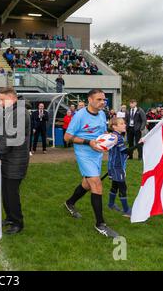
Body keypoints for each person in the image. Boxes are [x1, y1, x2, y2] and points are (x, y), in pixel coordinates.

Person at [63, 89, 119, 238]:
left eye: (104, 100)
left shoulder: (101, 114)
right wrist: (89, 142)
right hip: (84, 153)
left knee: (87, 184)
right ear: (90, 100)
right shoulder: (79, 116)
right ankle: (100, 224)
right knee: (96, 184)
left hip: (97, 153)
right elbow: (67, 137)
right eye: (99, 99)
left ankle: (69, 202)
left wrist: (109, 137)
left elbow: (101, 133)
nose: (102, 102)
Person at [0, 87, 30, 235]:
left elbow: (10, 140)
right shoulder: (11, 111)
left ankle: (18, 222)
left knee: (12, 193)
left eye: (2, 100)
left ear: (11, 98)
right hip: (8, 159)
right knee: (6, 192)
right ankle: (10, 217)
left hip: (16, 160)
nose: (1, 103)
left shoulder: (20, 113)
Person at [107, 118, 132, 217]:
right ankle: (126, 211)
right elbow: (124, 151)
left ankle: (111, 204)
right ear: (114, 126)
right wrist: (140, 144)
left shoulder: (114, 135)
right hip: (117, 167)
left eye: (124, 123)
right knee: (122, 187)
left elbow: (119, 152)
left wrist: (125, 155)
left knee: (115, 185)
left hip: (113, 165)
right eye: (121, 123)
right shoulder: (118, 137)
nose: (124, 125)